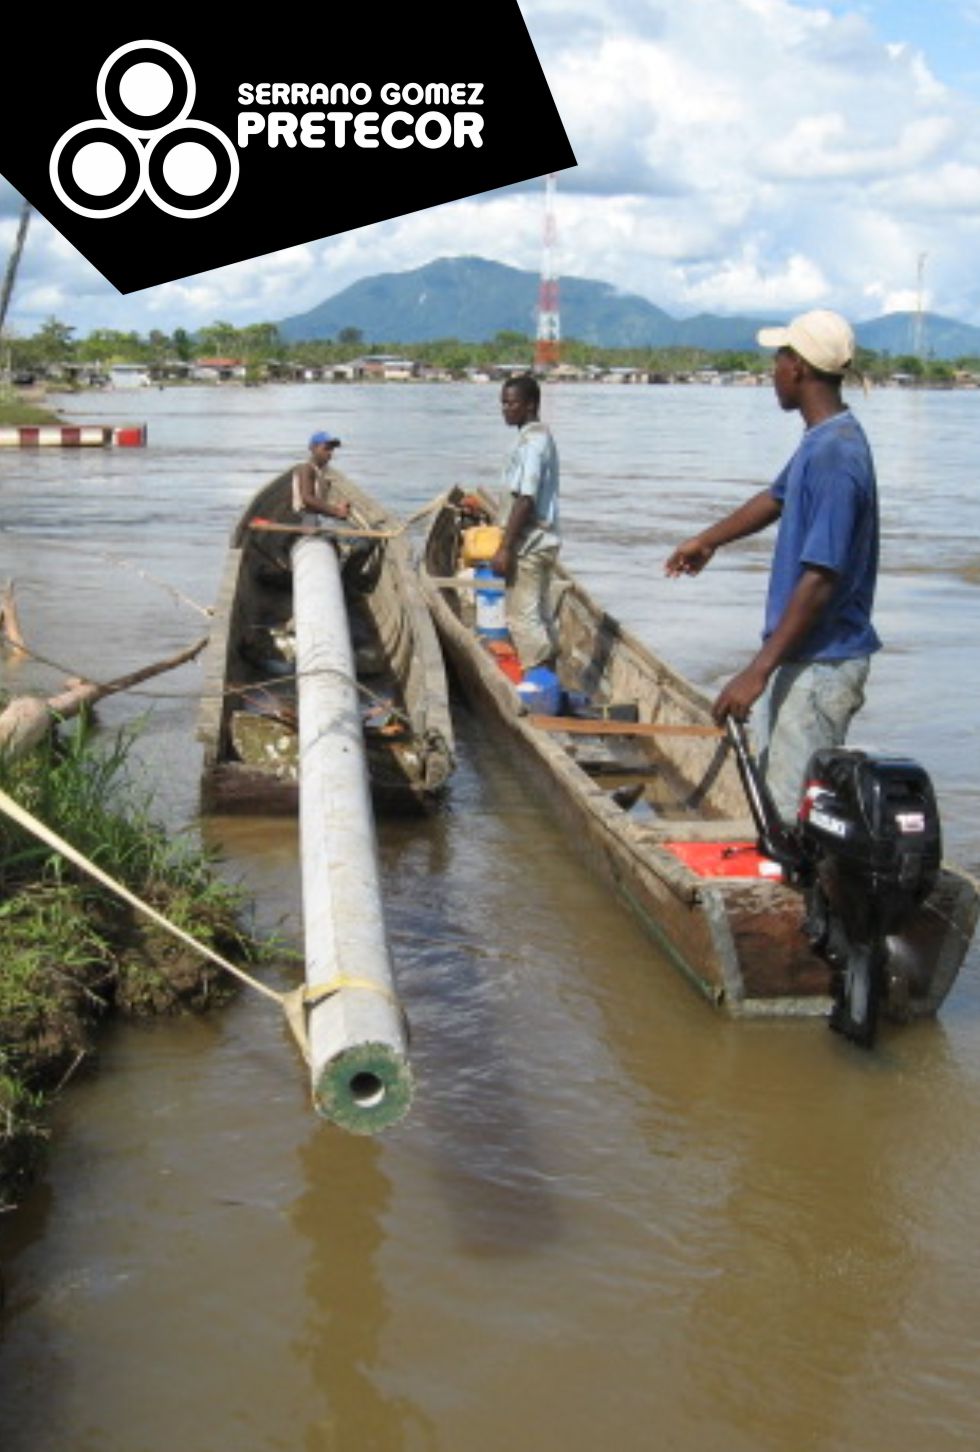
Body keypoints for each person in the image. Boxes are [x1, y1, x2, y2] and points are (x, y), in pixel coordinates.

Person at [665, 309, 881, 819]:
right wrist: (708, 541)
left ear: (798, 368)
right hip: (803, 657)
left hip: (820, 664)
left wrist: (756, 672)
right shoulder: (823, 439)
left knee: (788, 816)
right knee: (780, 805)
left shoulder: (836, 456)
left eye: (778, 358)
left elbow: (821, 577)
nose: (772, 370)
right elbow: (776, 498)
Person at [490, 374, 561, 670]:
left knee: (522, 618)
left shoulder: (531, 444)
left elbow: (526, 499)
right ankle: (550, 676)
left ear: (530, 405)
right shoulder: (542, 437)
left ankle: (538, 680)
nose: (505, 409)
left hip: (529, 544)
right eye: (503, 403)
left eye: (512, 403)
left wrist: (505, 548)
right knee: (542, 613)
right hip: (546, 540)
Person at [292, 430, 352, 524]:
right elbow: (307, 498)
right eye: (326, 449)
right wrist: (336, 511)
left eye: (331, 449)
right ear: (313, 448)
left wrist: (336, 508)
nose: (330, 453)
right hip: (306, 518)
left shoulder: (320, 471)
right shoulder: (307, 468)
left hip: (315, 516)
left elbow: (318, 501)